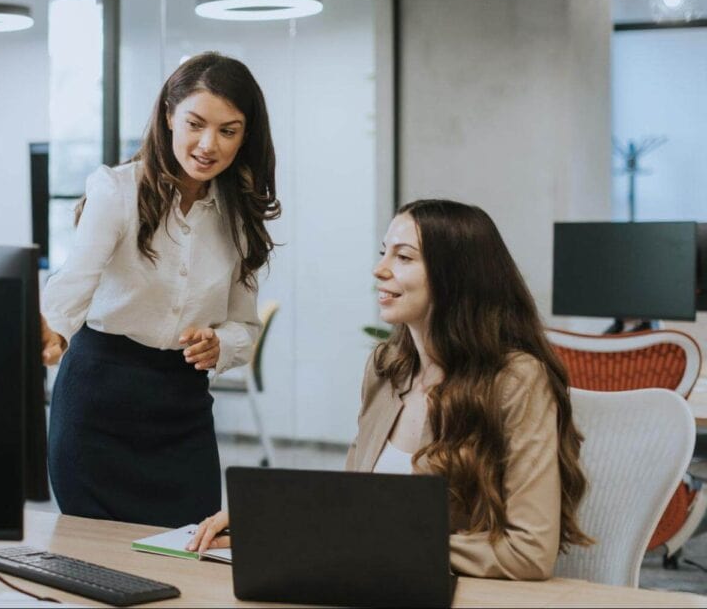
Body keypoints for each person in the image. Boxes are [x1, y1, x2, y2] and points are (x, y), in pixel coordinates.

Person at [189, 199, 593, 580]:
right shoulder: (387, 368)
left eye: (403, 257)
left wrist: (381, 545)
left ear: (456, 277)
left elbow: (529, 552)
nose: (379, 270)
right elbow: (354, 505)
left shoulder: (516, 380)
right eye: (384, 253)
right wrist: (269, 520)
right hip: (375, 584)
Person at [40, 52, 280, 529]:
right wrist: (53, 332)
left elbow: (245, 327)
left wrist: (221, 344)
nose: (207, 144)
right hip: (97, 401)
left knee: (190, 554)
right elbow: (75, 282)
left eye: (228, 131)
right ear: (169, 114)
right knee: (97, 560)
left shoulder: (241, 216)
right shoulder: (116, 192)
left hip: (181, 406)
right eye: (195, 123)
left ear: (245, 136)